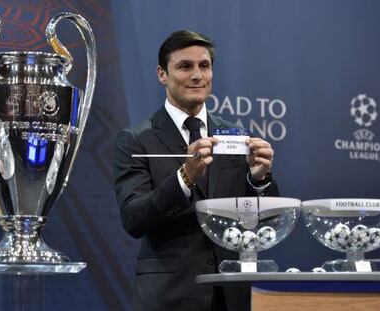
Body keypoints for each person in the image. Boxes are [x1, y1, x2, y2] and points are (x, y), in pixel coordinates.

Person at [113, 30, 279, 311]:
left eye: (204, 65)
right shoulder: (136, 139)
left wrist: (258, 179)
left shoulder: (235, 137)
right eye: (184, 66)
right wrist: (184, 178)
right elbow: (133, 218)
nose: (196, 75)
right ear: (162, 75)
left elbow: (263, 223)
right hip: (170, 296)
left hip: (232, 295)